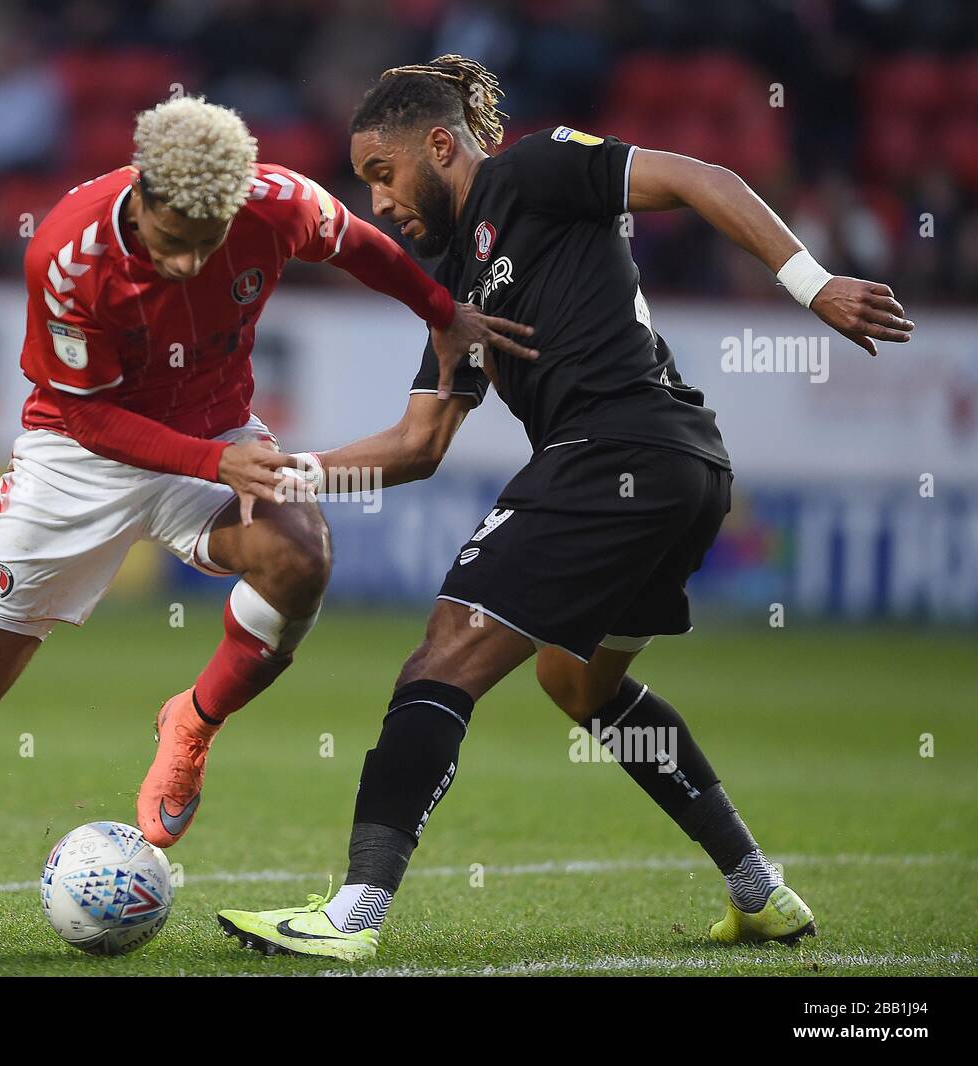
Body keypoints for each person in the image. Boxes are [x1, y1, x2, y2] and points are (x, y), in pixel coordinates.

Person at [0, 95, 534, 949]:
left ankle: (193, 722)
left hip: (211, 432)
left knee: (300, 556)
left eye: (207, 240)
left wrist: (444, 313)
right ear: (140, 192)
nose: (187, 259)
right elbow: (92, 421)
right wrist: (216, 463)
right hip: (80, 461)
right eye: (173, 236)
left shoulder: (274, 202)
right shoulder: (67, 257)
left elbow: (360, 246)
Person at [217, 56, 913, 961]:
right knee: (577, 683)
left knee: (441, 660)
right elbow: (418, 448)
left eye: (382, 175)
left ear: (439, 143)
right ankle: (759, 890)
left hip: (618, 451)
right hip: (681, 471)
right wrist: (286, 476)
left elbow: (704, 178)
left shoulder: (533, 169)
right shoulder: (453, 294)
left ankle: (351, 914)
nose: (380, 204)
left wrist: (810, 284)